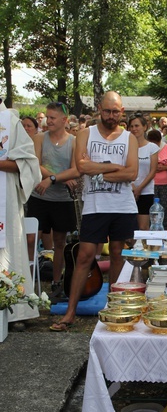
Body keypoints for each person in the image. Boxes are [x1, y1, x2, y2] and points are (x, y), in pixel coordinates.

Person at [50, 91, 139, 331]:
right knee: (84, 256)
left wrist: (96, 168)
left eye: (116, 111)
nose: (111, 116)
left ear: (122, 111)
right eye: (107, 111)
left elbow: (131, 174)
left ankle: (114, 308)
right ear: (99, 108)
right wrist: (113, 167)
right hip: (95, 205)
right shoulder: (85, 134)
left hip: (122, 205)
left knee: (119, 254)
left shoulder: (129, 138)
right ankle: (70, 313)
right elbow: (80, 166)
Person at [26, 102, 78, 300]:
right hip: (39, 196)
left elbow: (75, 170)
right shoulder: (39, 138)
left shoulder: (73, 141)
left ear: (64, 120)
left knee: (60, 242)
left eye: (53, 118)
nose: (48, 121)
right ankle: (28, 282)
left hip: (62, 200)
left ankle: (57, 282)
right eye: (47, 117)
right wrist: (56, 177)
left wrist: (53, 179)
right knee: (31, 239)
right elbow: (36, 164)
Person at [0, 100, 42, 322]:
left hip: (4, 199)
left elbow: (27, 164)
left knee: (9, 251)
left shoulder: (11, 123)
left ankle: (15, 311)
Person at [128, 115, 159, 230]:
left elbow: (153, 171)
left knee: (143, 227)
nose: (134, 129)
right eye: (131, 126)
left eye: (137, 126)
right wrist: (132, 186)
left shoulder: (152, 147)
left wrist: (140, 188)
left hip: (146, 191)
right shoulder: (126, 147)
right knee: (129, 227)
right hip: (128, 190)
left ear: (145, 127)